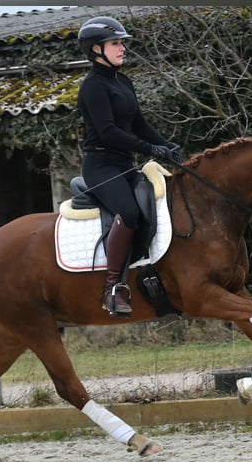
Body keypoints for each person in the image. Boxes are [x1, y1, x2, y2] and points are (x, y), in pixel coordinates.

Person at [77, 16, 180, 318]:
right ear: (96, 49)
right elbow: (108, 132)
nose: (123, 48)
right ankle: (112, 290)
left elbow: (138, 124)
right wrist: (150, 149)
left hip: (124, 164)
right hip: (100, 166)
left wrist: (167, 145)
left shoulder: (123, 81)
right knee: (130, 211)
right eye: (116, 43)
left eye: (122, 42)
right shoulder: (93, 87)